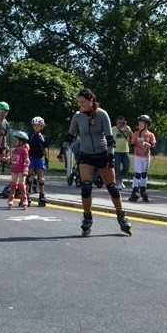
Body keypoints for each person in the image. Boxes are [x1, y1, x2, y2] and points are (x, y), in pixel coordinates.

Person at [57, 88, 132, 236]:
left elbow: (110, 139)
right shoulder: (77, 116)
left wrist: (110, 156)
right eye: (79, 102)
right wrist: (63, 150)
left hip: (102, 154)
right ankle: (87, 217)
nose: (81, 105)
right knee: (85, 187)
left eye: (83, 102)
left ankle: (121, 216)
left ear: (91, 100)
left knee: (112, 187)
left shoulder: (102, 114)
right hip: (86, 155)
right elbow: (70, 135)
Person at [127, 115, 156, 202]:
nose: (139, 125)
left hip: (146, 157)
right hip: (138, 156)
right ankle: (135, 191)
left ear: (146, 125)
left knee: (144, 174)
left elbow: (153, 146)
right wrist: (136, 148)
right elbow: (132, 145)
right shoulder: (136, 134)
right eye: (139, 124)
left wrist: (148, 145)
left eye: (141, 124)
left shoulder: (150, 135)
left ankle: (143, 190)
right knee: (137, 174)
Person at [27, 116, 49, 206]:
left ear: (42, 126)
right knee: (29, 177)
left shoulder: (44, 137)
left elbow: (45, 148)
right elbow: (27, 147)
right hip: (31, 157)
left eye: (38, 125)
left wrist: (47, 159)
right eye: (35, 125)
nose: (36, 127)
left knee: (41, 178)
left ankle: (42, 195)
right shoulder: (30, 136)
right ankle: (26, 195)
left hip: (40, 158)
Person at [7, 130, 30, 209]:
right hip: (14, 169)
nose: (15, 142)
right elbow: (13, 159)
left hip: (21, 170)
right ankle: (11, 199)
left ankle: (24, 200)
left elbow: (27, 161)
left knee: (21, 185)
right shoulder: (15, 150)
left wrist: (25, 169)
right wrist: (7, 159)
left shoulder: (24, 151)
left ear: (21, 142)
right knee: (13, 185)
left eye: (16, 140)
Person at [111, 116, 133, 189]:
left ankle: (120, 179)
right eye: (119, 122)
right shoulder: (113, 129)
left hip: (125, 151)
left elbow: (131, 135)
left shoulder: (127, 128)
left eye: (122, 122)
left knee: (126, 167)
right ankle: (118, 182)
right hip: (116, 151)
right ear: (116, 122)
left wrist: (125, 127)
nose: (120, 124)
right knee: (117, 168)